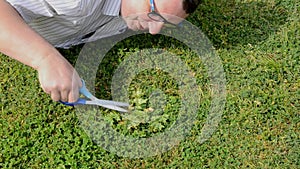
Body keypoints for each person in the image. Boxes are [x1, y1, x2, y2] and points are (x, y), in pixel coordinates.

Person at [0, 0, 200, 103]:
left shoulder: (128, 14)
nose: (154, 31)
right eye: (155, 14)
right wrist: (44, 58)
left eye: (165, 24)